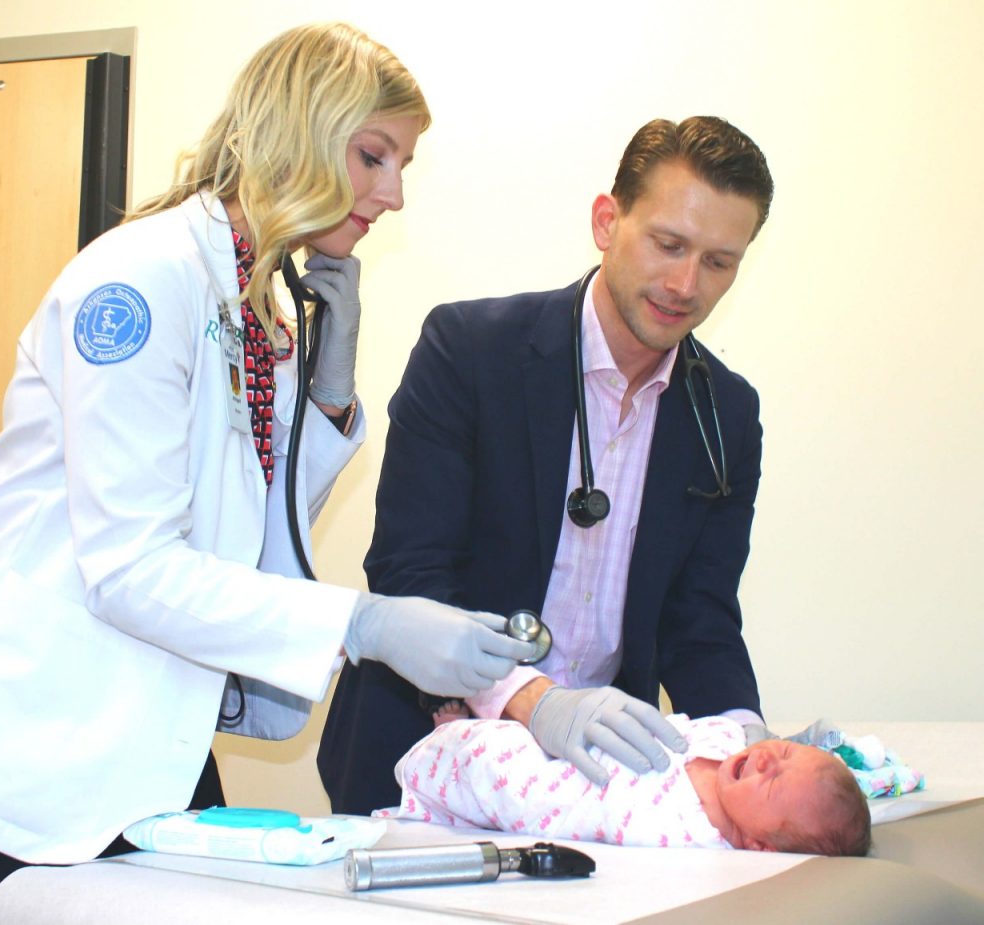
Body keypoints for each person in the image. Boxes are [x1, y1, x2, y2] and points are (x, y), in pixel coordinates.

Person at [0, 23, 534, 921]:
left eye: (402, 165)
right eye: (373, 155)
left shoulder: (248, 295)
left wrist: (331, 390)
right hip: (36, 753)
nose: (392, 194)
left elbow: (250, 532)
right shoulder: (143, 282)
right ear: (300, 130)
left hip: (153, 734)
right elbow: (131, 568)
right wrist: (366, 622)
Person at [319, 116, 776, 815]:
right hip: (420, 758)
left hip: (591, 788)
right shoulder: (469, 353)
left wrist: (754, 747)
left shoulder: (728, 417)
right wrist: (535, 701)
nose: (686, 283)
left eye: (719, 262)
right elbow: (411, 576)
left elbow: (701, 624)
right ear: (606, 221)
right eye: (668, 244)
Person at [381, 703, 872, 857]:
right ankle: (468, 726)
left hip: (564, 794)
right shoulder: (727, 743)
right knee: (523, 732)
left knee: (500, 774)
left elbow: (613, 821)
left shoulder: (694, 843)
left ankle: (452, 748)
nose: (765, 760)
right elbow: (685, 725)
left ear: (758, 846)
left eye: (772, 784)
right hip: (581, 739)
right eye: (783, 752)